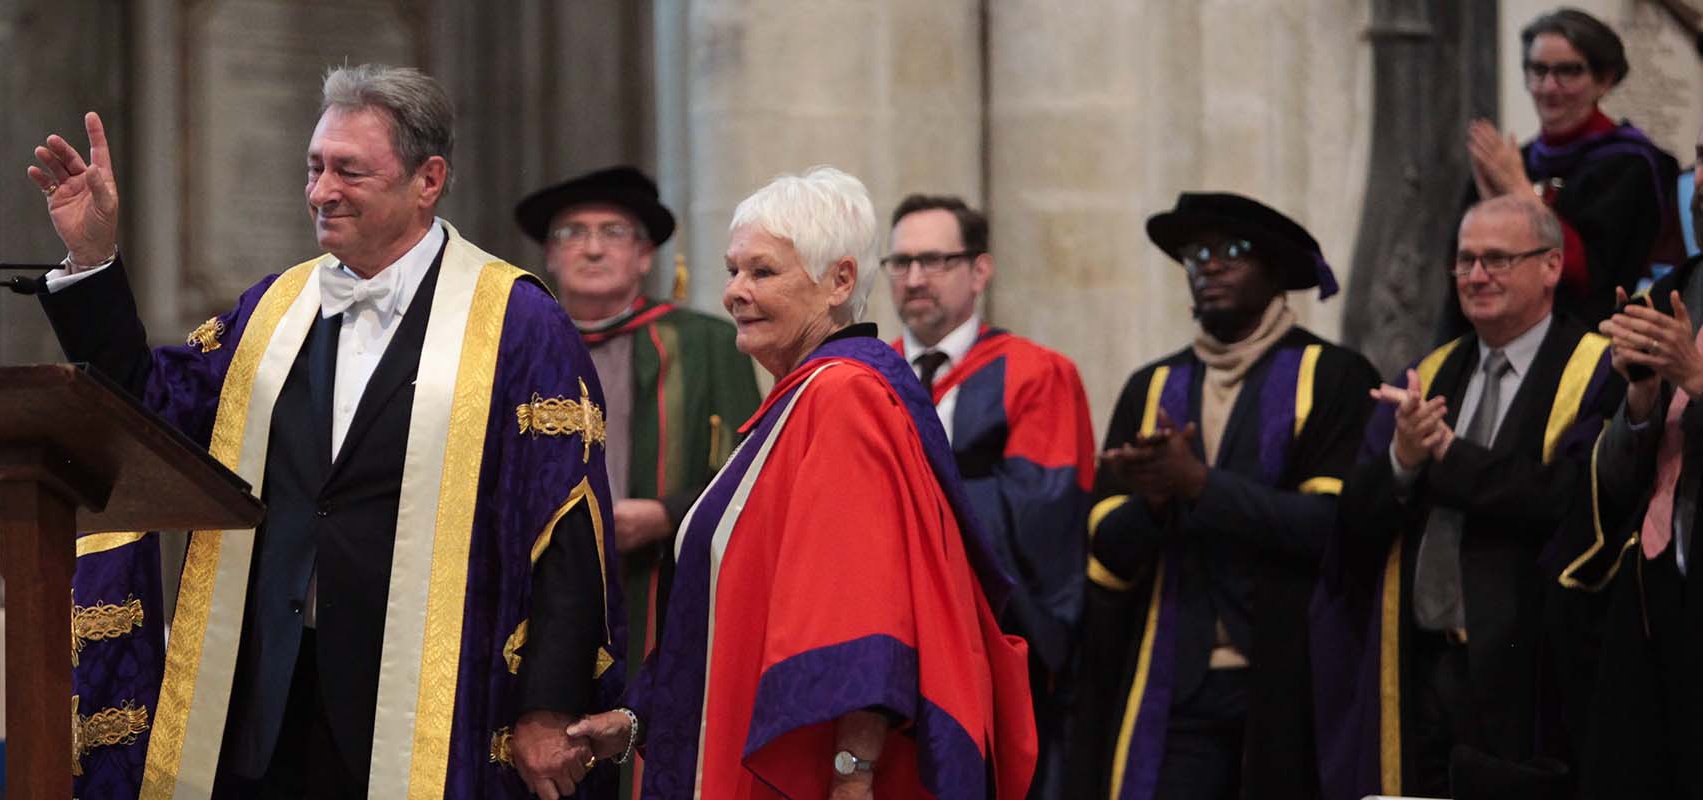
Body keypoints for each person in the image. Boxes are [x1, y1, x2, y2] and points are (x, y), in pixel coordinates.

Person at [32, 65, 622, 799]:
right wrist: (92, 261)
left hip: (431, 707)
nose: (320, 191)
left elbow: (566, 528)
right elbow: (150, 406)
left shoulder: (517, 321)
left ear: (427, 180)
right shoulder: (277, 307)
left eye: (349, 170)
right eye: (314, 167)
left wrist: (547, 708)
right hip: (271, 699)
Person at [564, 167, 1037, 800]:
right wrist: (636, 719)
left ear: (840, 281)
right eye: (733, 270)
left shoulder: (843, 398)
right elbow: (741, 609)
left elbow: (864, 610)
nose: (734, 292)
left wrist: (852, 773)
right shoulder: (797, 403)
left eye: (762, 273)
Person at [1315, 195, 1622, 799]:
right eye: (1466, 261)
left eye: (1498, 260)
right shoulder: (1429, 371)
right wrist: (1403, 459)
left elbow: (1567, 498)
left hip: (1531, 666)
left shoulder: (1599, 368)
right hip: (1423, 663)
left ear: (1552, 266)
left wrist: (1449, 456)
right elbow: (1354, 516)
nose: (1477, 276)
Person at [1080, 192, 1377, 800]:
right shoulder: (1154, 385)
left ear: (1275, 272)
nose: (1209, 266)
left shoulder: (1334, 376)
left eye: (1232, 252)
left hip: (1293, 679)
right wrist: (1154, 501)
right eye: (1197, 254)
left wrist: (1198, 484)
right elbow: (1104, 543)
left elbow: (1331, 526)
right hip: (1178, 683)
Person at [514, 166, 761, 693]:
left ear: (645, 255)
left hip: (665, 578)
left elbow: (753, 471)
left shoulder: (709, 345)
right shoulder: (515, 346)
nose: (593, 248)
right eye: (573, 233)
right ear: (551, 256)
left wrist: (666, 514)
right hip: (536, 590)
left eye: (614, 232)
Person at [883, 194, 1094, 799]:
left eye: (934, 260)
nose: (915, 278)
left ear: (980, 270)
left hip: (993, 635)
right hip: (891, 638)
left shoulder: (1034, 373)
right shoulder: (864, 376)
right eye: (899, 263)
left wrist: (911, 504)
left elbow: (1044, 508)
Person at [1581, 117, 1703, 800]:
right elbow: (1627, 465)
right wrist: (1643, 395)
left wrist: (1696, 376)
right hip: (1659, 586)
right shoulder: (1674, 291)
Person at [1446, 6, 1680, 336]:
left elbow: (1589, 274)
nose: (1549, 86)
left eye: (1568, 72)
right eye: (1538, 70)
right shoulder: (1517, 160)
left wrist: (1517, 189)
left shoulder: (1631, 164)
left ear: (1605, 79)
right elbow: (1463, 272)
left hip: (1590, 347)